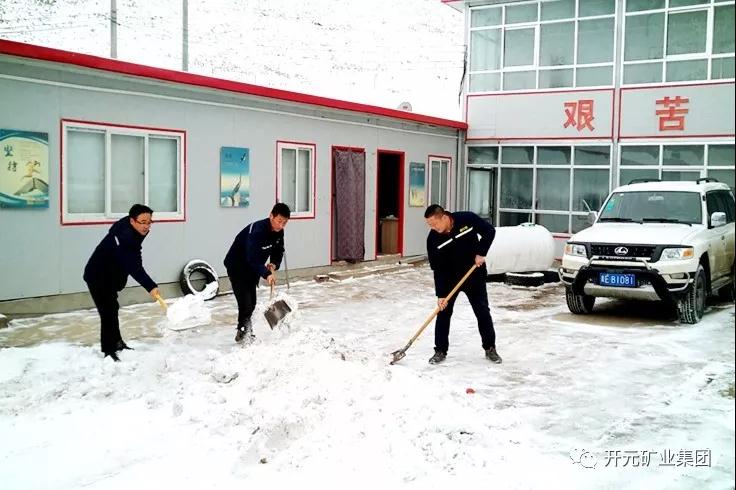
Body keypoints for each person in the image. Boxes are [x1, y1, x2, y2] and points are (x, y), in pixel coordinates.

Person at [424, 204, 501, 365]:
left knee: (482, 311)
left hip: (473, 274)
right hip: (450, 279)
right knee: (443, 312)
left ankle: (490, 348)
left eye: (434, 223)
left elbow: (489, 231)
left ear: (444, 217)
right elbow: (437, 269)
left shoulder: (467, 219)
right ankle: (440, 350)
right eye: (429, 225)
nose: (432, 227)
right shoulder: (433, 239)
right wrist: (441, 294)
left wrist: (481, 252)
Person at [83, 204, 160, 362]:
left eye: (149, 222)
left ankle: (117, 342)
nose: (146, 226)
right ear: (132, 221)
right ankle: (108, 350)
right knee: (108, 312)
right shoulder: (124, 237)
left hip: (110, 276)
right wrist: (150, 286)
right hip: (97, 276)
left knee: (112, 308)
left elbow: (135, 255)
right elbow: (134, 266)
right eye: (143, 222)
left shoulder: (131, 232)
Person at [224, 203, 290, 343]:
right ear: (271, 215)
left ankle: (245, 331)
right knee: (245, 303)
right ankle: (244, 333)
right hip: (237, 266)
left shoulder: (279, 231)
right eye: (279, 221)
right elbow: (251, 258)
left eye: (285, 223)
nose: (281, 225)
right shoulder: (257, 231)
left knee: (252, 303)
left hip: (253, 268)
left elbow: (278, 250)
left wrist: (274, 263)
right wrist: (266, 274)